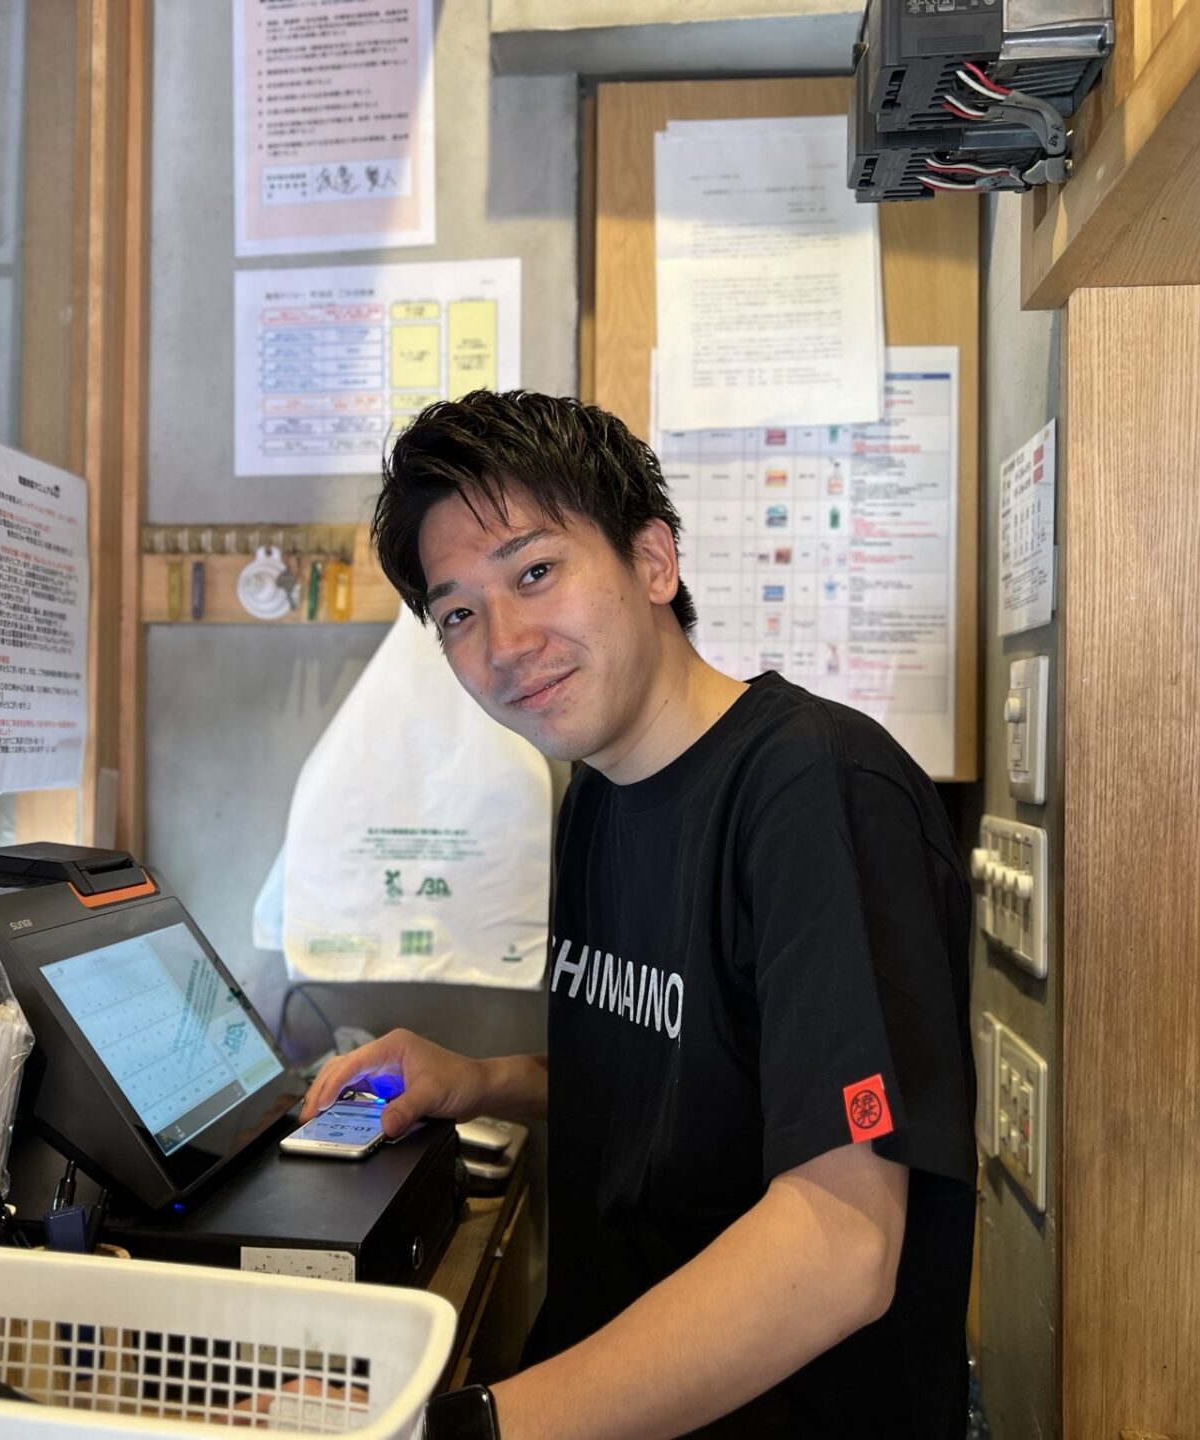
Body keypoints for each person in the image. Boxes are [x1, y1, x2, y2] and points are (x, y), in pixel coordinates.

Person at [300, 390, 975, 1440]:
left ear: (653, 561)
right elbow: (686, 1081)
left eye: (535, 571)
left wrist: (462, 1430)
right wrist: (479, 1080)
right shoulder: (599, 794)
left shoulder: (818, 790)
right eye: (458, 614)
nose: (504, 643)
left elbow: (842, 1240)